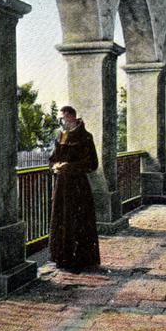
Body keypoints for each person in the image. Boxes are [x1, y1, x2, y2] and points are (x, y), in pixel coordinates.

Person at [48, 105, 101, 272]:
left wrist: (69, 167)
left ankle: (82, 259)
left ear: (71, 117)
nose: (62, 122)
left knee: (78, 220)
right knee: (62, 219)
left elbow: (92, 164)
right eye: (61, 119)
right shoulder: (62, 136)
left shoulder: (86, 137)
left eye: (64, 118)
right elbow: (52, 159)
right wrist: (55, 166)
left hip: (78, 186)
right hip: (62, 186)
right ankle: (62, 257)